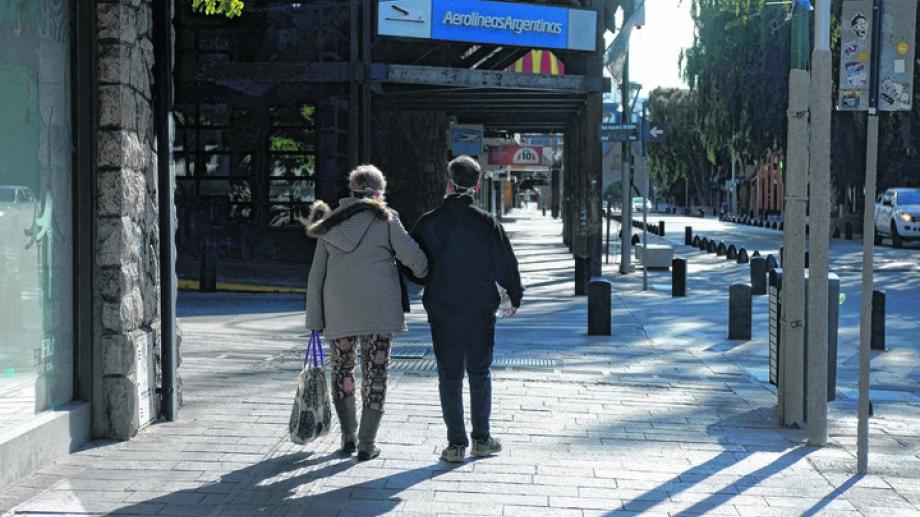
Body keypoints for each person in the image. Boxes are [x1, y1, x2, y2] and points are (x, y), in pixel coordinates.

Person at [304, 165, 428, 461]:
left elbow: (316, 275)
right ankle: (366, 443)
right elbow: (416, 261)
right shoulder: (386, 220)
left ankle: (348, 436)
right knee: (376, 372)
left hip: (338, 311)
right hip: (378, 313)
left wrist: (314, 319)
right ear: (378, 192)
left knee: (342, 369)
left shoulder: (330, 223)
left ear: (351, 191)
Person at [408, 155, 524, 463]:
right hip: (480, 308)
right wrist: (515, 295)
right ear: (476, 185)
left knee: (449, 374)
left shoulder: (428, 222)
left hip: (442, 307)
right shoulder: (487, 222)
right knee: (479, 371)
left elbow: (413, 264)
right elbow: (505, 263)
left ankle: (456, 444)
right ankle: (482, 439)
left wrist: (425, 278)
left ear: (448, 182)